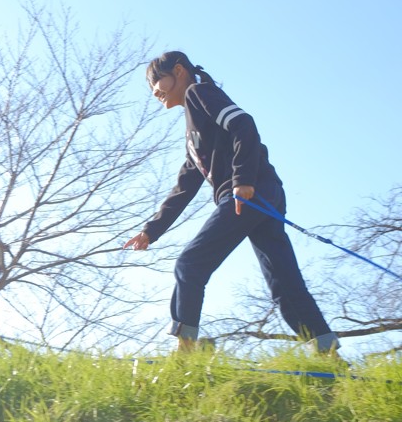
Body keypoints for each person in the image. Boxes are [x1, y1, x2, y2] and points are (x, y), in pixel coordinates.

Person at [123, 51, 339, 354]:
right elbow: (185, 186)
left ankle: (185, 353)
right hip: (261, 194)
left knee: (190, 264)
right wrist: (151, 230)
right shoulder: (192, 130)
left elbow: (243, 124)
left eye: (155, 82)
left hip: (249, 193)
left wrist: (242, 181)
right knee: (283, 282)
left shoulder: (199, 93)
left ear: (179, 71)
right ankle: (327, 351)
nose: (154, 92)